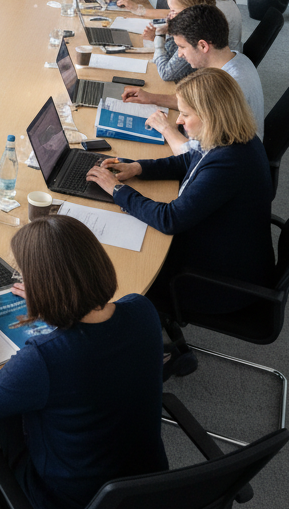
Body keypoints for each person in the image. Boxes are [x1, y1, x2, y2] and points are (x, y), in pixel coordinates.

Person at [0, 216, 167, 509]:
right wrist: (48, 299)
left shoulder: (44, 358)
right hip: (150, 494)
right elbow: (96, 337)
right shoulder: (143, 310)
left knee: (10, 409)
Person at [86, 67, 274, 320]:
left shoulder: (230, 162)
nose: (178, 121)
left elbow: (170, 219)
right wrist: (138, 167)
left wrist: (117, 190)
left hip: (216, 282)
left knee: (109, 270)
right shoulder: (235, 138)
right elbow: (191, 161)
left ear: (211, 115)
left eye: (185, 114)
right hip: (222, 250)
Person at [122, 3, 264, 135]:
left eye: (182, 47)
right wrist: (150, 98)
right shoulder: (236, 58)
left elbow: (199, 152)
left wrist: (166, 129)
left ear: (203, 46)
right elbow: (195, 103)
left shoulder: (222, 87)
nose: (179, 54)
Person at [148, 0, 216, 85]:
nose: (169, 15)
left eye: (174, 11)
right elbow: (169, 53)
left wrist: (160, 35)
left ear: (190, 12)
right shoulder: (190, 27)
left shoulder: (193, 38)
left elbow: (166, 73)